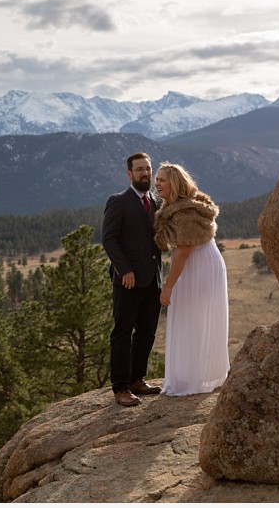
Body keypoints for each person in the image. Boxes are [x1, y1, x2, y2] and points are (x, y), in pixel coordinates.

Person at [153, 162, 229, 396]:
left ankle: (193, 379)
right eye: (156, 179)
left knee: (192, 316)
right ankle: (194, 374)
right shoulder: (183, 206)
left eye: (162, 180)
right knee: (193, 316)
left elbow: (184, 251)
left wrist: (167, 287)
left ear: (174, 183)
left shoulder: (184, 212)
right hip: (204, 259)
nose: (157, 184)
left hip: (199, 263)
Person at [101, 152, 163, 407]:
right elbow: (109, 238)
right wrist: (124, 269)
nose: (145, 173)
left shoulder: (157, 202)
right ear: (129, 174)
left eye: (147, 169)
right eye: (139, 170)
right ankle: (121, 388)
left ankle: (137, 379)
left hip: (153, 280)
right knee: (122, 334)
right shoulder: (118, 201)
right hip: (127, 280)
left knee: (147, 332)